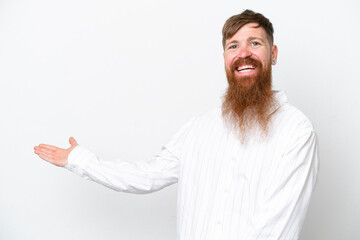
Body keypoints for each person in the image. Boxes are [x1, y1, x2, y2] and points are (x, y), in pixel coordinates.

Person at [34, 9, 319, 240]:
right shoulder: (199, 128)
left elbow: (275, 228)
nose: (243, 53)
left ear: (273, 54)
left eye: (255, 43)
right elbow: (148, 175)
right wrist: (79, 160)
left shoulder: (296, 131)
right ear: (225, 59)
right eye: (234, 45)